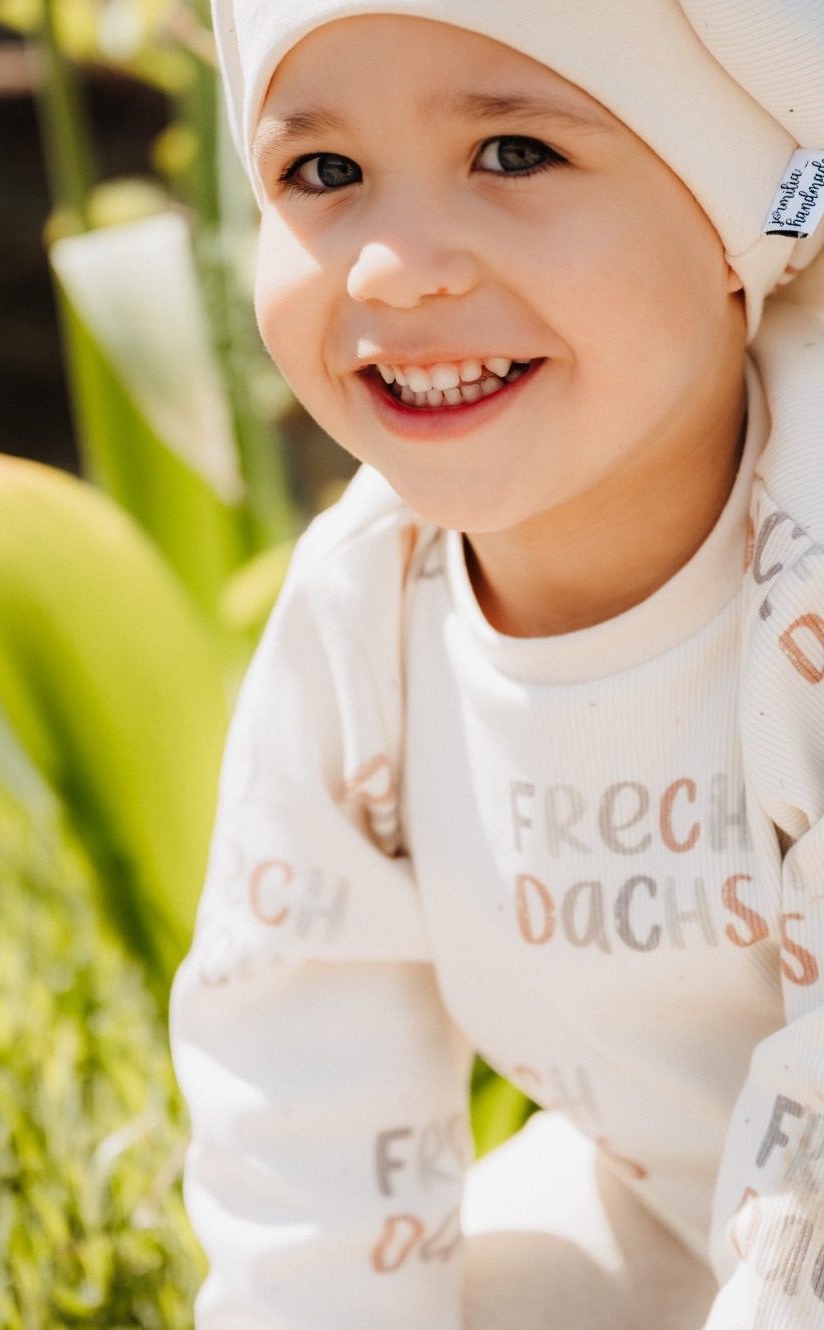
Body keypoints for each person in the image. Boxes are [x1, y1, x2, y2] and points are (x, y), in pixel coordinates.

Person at [169, 2, 824, 1326]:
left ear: (729, 219)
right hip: (679, 1203)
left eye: (514, 153)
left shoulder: (799, 565)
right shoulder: (362, 615)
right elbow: (295, 1065)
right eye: (323, 173)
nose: (393, 269)